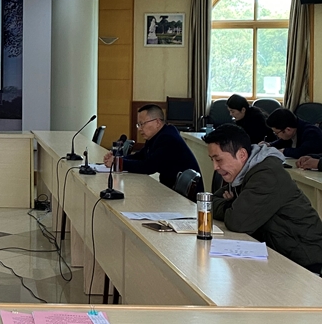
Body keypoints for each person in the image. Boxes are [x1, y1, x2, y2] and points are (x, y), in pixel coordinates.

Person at [204, 123, 322, 273]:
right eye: (212, 160)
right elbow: (210, 202)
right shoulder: (243, 172)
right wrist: (233, 205)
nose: (215, 167)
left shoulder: (266, 174)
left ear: (242, 155)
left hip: (305, 262)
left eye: (218, 160)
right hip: (279, 254)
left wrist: (232, 204)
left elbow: (237, 222)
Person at [103, 104, 202, 193]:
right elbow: (140, 156)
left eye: (142, 124)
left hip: (183, 199)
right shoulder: (157, 136)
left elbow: (148, 167)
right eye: (138, 125)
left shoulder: (168, 138)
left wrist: (117, 162)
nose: (139, 129)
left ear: (157, 122)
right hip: (170, 191)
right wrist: (118, 159)